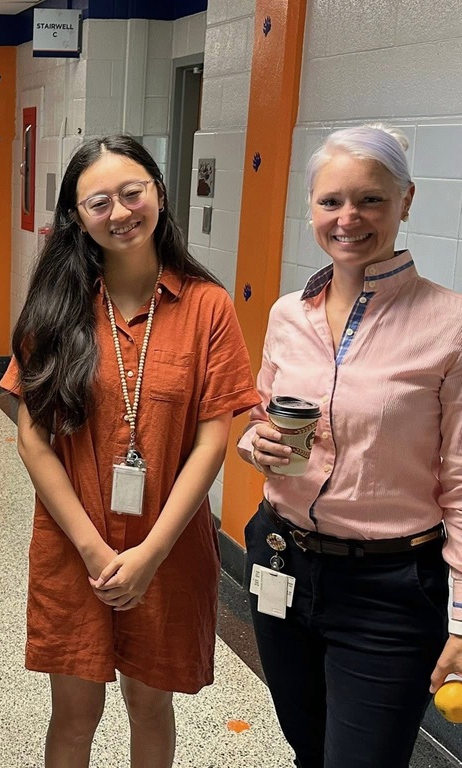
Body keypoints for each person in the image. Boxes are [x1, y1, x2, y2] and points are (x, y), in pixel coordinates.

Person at [0, 135, 259, 768]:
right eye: (97, 202)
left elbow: (211, 439)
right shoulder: (57, 305)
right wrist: (93, 545)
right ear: (76, 217)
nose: (119, 212)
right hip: (73, 542)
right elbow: (32, 435)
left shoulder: (207, 306)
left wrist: (150, 553)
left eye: (132, 192)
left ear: (160, 195)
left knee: (150, 708)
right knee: (74, 715)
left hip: (166, 545)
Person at [238, 123, 462, 768]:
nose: (349, 218)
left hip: (390, 586)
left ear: (407, 202)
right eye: (331, 201)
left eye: (371, 200)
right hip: (281, 558)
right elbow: (259, 419)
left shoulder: (447, 325)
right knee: (309, 745)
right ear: (310, 206)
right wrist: (258, 443)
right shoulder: (288, 315)